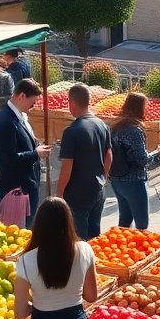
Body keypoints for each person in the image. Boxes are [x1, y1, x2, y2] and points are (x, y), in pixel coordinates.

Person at [14, 197, 99, 319]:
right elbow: (91, 296)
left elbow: (20, 314)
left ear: (38, 225)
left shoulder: (26, 261)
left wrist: (42, 303)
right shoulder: (84, 249)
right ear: (68, 222)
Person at [0, 79, 54, 227]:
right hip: (17, 188)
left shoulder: (17, 116)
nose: (33, 106)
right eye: (32, 102)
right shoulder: (6, 121)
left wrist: (35, 144)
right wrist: (36, 153)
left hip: (26, 184)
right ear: (21, 96)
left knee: (27, 226)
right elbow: (9, 159)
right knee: (18, 230)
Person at [57, 83, 111, 240]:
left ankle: (81, 264)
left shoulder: (72, 131)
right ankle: (93, 263)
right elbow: (109, 155)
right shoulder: (102, 125)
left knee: (77, 239)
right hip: (98, 190)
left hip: (77, 194)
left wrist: (60, 193)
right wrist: (104, 178)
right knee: (95, 237)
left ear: (72, 102)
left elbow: (67, 166)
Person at [110, 92, 160, 230]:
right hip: (133, 181)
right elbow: (142, 160)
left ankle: (120, 247)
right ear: (139, 108)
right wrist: (157, 152)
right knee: (142, 225)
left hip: (116, 180)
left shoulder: (116, 127)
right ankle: (139, 250)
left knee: (124, 221)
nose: (147, 109)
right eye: (146, 106)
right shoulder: (134, 130)